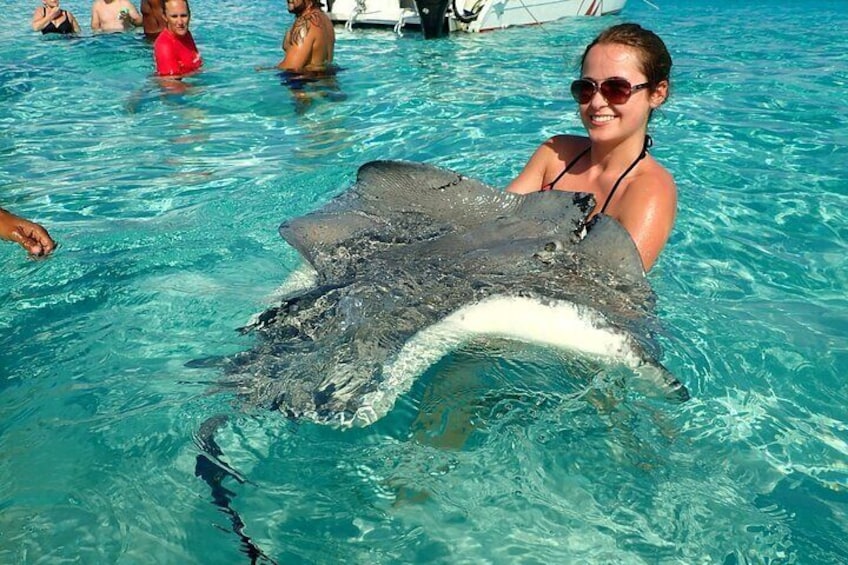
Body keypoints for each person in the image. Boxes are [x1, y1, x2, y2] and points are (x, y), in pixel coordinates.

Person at [506, 23, 675, 272]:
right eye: (586, 88)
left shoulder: (650, 191)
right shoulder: (554, 154)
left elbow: (617, 288)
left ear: (657, 94)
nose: (596, 102)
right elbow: (493, 221)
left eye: (616, 89)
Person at [278, 0, 335, 72]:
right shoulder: (325, 19)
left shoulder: (305, 25)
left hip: (307, 81)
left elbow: (291, 68)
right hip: (324, 80)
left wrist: (263, 71)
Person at [153, 0, 202, 77]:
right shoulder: (164, 45)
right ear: (165, 17)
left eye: (183, 16)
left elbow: (196, 65)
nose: (180, 22)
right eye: (174, 16)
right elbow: (171, 84)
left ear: (190, 14)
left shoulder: (186, 34)